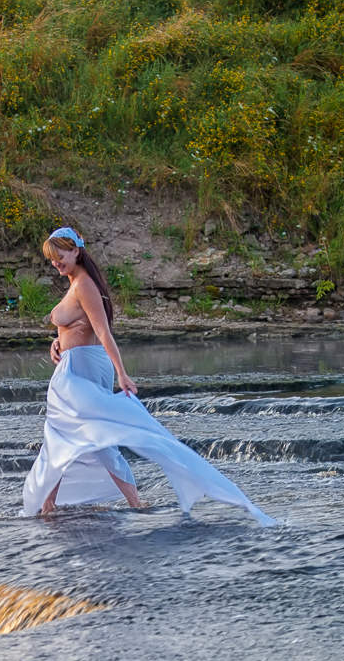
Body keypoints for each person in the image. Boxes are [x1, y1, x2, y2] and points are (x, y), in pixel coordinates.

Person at [21, 226, 275, 527]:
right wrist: (57, 343)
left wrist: (122, 374)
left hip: (82, 371)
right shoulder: (75, 282)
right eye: (52, 259)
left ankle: (58, 506)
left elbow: (103, 332)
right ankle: (115, 503)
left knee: (73, 435)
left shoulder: (84, 285)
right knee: (87, 436)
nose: (56, 264)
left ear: (76, 251)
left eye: (59, 257)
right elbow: (76, 326)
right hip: (74, 367)